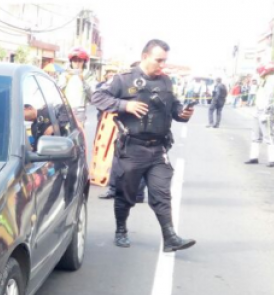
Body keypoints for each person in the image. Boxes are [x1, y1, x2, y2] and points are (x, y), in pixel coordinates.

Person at [92, 39, 195, 252]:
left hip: (158, 149)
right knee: (125, 193)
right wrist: (124, 105)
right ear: (145, 57)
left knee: (161, 193)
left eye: (165, 61)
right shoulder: (123, 79)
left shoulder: (165, 81)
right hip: (132, 149)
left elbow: (173, 107)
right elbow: (97, 96)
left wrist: (182, 113)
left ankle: (170, 237)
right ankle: (121, 230)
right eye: (159, 60)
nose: (162, 65)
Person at [244, 64, 274, 167]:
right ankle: (253, 157)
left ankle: (272, 160)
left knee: (269, 136)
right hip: (258, 110)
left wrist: (266, 112)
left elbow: (270, 99)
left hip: (266, 112)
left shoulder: (270, 82)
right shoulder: (263, 82)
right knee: (255, 136)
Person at [61, 48, 93, 125]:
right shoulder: (64, 75)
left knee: (78, 131)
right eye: (75, 61)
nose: (77, 64)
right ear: (71, 62)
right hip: (65, 109)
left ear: (84, 62)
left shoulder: (88, 76)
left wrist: (83, 81)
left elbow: (92, 96)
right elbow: (57, 91)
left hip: (79, 111)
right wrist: (65, 81)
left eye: (80, 61)